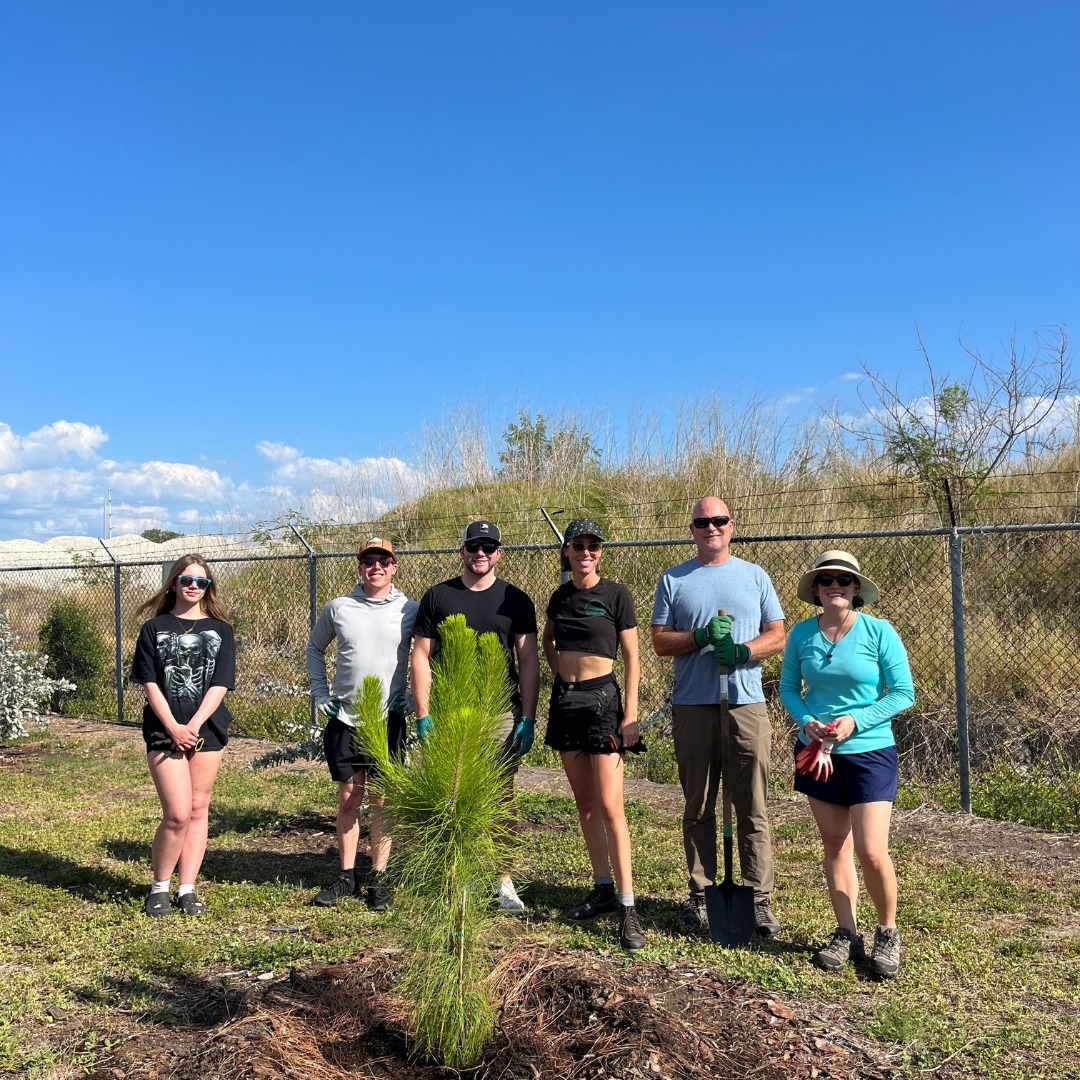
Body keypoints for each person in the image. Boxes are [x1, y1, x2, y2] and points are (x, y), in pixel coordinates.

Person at [651, 497, 787, 936]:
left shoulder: (755, 576)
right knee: (699, 803)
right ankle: (700, 894)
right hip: (694, 705)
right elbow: (660, 641)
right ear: (692, 529)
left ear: (732, 526)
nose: (711, 527)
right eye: (702, 522)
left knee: (752, 804)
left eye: (719, 521)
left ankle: (758, 899)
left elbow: (777, 634)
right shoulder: (674, 579)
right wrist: (701, 636)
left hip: (745, 704)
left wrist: (745, 650)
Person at [780, 550, 914, 978]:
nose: (833, 585)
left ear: (856, 589)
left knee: (872, 850)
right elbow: (788, 690)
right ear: (816, 591)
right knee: (836, 845)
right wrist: (808, 722)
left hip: (870, 752)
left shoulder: (879, 632)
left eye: (843, 580)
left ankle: (888, 932)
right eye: (825, 581)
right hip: (817, 753)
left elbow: (903, 693)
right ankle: (846, 933)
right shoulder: (801, 634)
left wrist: (856, 720)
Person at [410, 520, 540, 915]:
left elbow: (528, 659)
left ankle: (503, 880)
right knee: (454, 794)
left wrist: (528, 717)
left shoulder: (515, 600)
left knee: (501, 798)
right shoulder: (438, 597)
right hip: (451, 712)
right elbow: (421, 655)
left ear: (499, 553)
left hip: (499, 712)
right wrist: (424, 714)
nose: (480, 553)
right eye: (473, 546)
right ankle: (460, 874)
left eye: (488, 546)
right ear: (462, 550)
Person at [542, 518, 645, 952]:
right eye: (578, 546)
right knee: (584, 804)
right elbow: (547, 641)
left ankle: (628, 906)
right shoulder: (559, 596)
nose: (586, 552)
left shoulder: (616, 594)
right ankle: (601, 887)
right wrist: (560, 675)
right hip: (567, 703)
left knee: (609, 806)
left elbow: (633, 657)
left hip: (604, 704)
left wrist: (631, 715)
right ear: (566, 552)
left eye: (593, 546)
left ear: (599, 552)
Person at [307, 537, 419, 910]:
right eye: (369, 560)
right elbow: (314, 648)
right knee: (348, 798)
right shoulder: (339, 608)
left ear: (394, 567)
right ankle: (346, 877)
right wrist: (321, 694)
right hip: (346, 719)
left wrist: (415, 698)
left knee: (382, 800)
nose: (376, 567)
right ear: (360, 567)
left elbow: (425, 654)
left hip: (388, 720)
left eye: (383, 561)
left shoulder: (409, 609)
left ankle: (380, 879)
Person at [131, 554, 236, 917]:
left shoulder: (222, 630)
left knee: (197, 808)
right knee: (176, 812)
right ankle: (160, 886)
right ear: (173, 583)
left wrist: (194, 725)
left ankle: (187, 888)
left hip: (207, 728)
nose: (194, 586)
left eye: (201, 582)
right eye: (187, 580)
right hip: (165, 730)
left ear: (209, 587)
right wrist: (174, 727)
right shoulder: (154, 628)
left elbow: (221, 682)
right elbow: (149, 683)